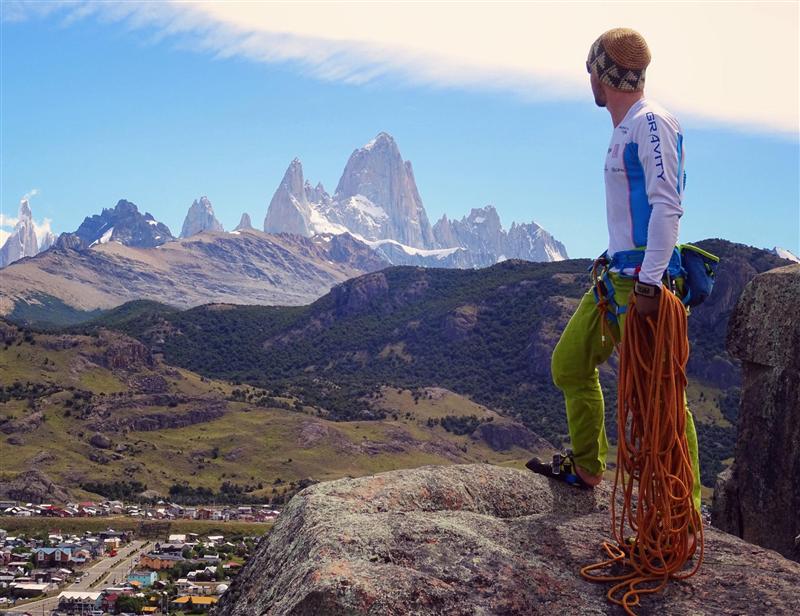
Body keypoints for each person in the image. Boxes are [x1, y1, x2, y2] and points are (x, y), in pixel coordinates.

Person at [530, 27, 702, 513]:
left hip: (643, 284)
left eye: (591, 68)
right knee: (570, 363)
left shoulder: (652, 122)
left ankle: (681, 512)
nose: (588, 78)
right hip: (618, 278)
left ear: (601, 74)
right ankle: (587, 466)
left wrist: (650, 281)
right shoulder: (626, 129)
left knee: (663, 398)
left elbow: (667, 206)